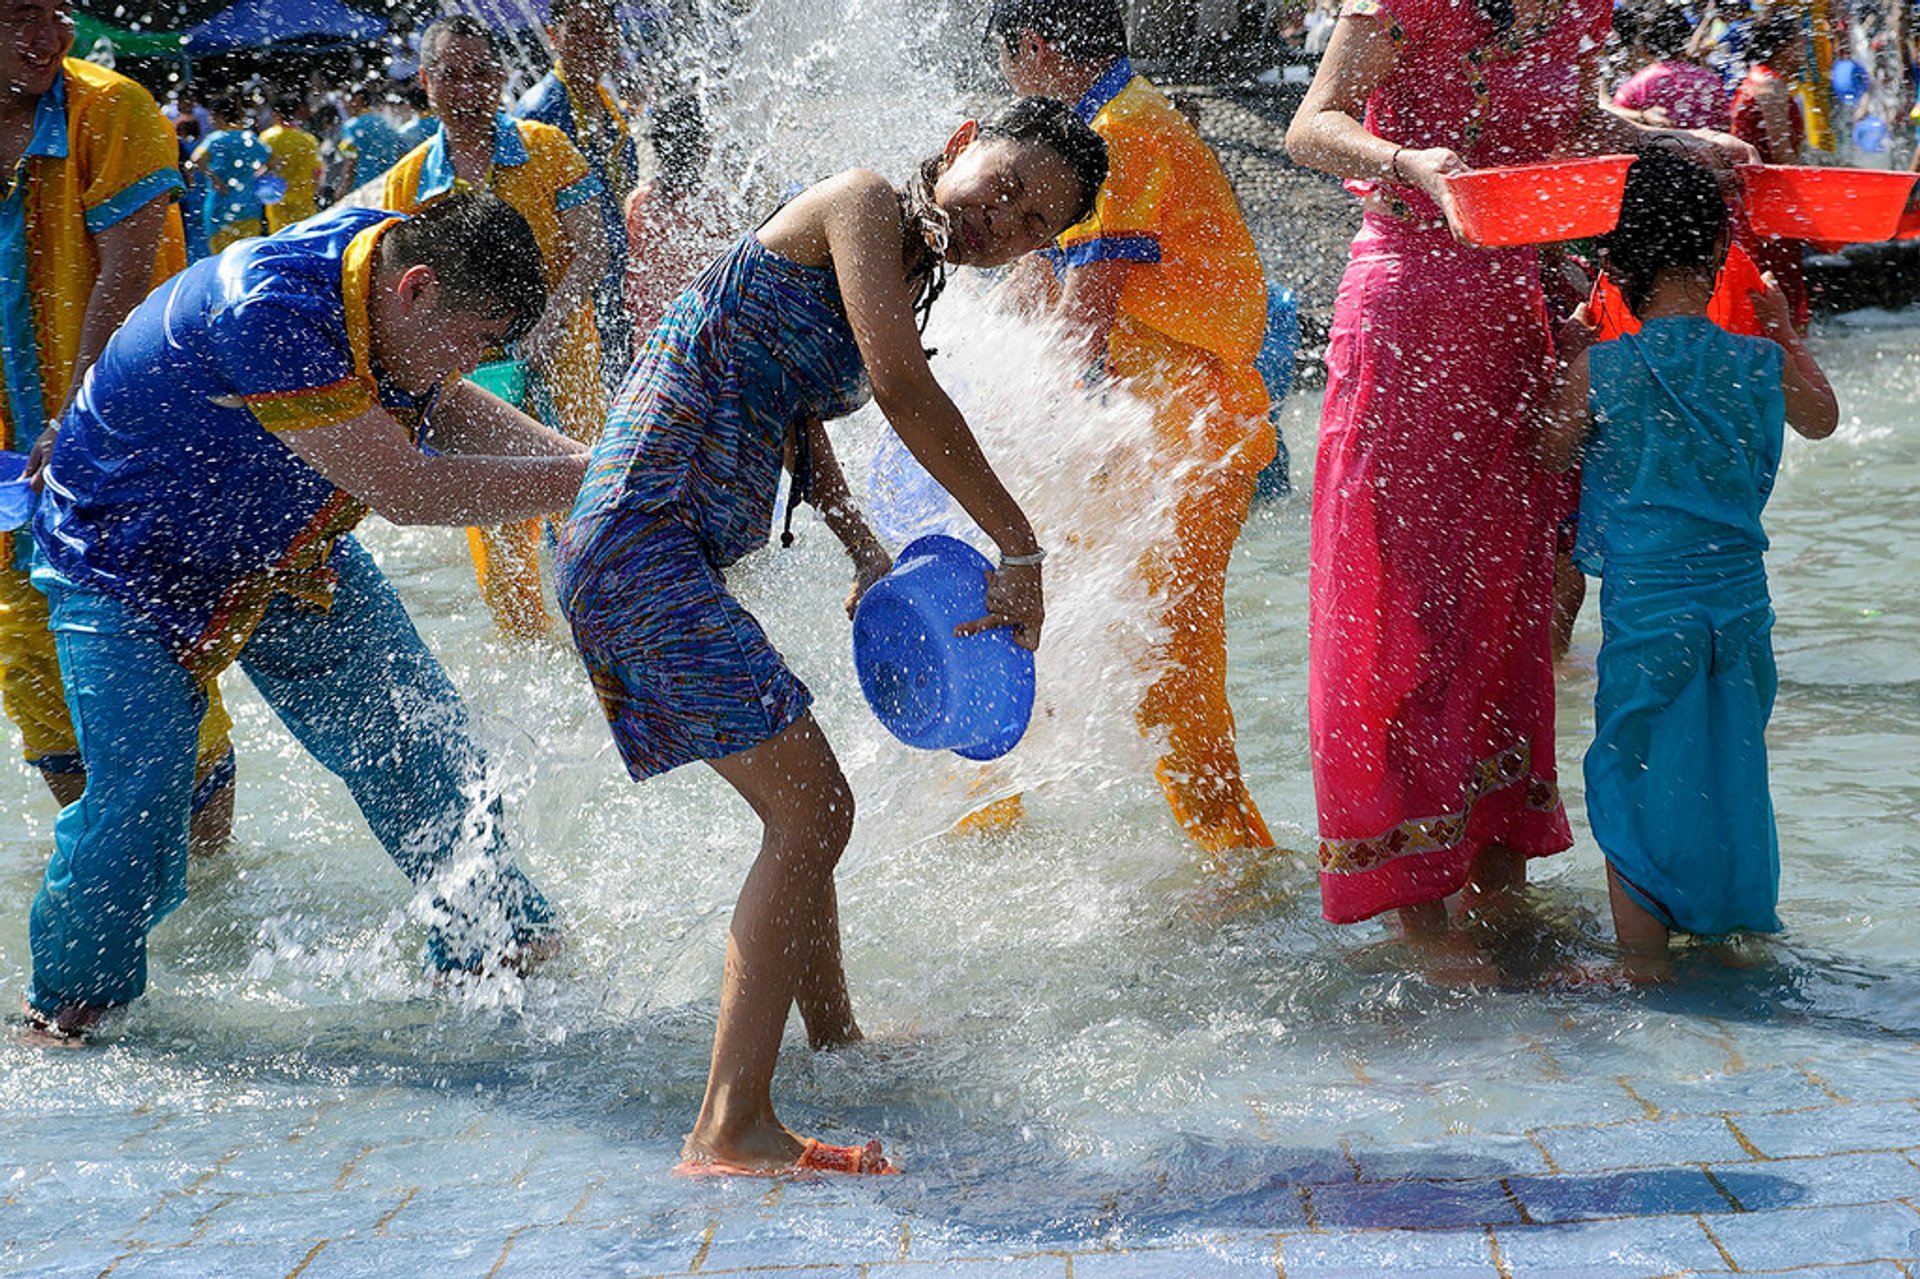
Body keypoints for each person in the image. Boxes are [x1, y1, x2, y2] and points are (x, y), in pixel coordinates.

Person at [555, 97, 1106, 1173]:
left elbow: (800, 405)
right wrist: (1019, 546)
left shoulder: (908, 268)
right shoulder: (856, 204)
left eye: (1035, 219)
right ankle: (729, 1128)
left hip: (656, 548)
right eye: (1003, 181)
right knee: (814, 810)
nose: (1005, 216)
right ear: (958, 147)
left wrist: (861, 544)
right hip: (634, 539)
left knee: (807, 806)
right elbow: (898, 387)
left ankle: (834, 1037)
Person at [18, 192, 590, 1044]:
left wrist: (592, 461)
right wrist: (591, 485)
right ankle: (67, 1010)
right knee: (142, 800)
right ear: (419, 288)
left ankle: (496, 940)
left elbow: (443, 404)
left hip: (282, 542)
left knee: (420, 740)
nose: (472, 361)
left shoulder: (387, 277)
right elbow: (407, 489)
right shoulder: (273, 310)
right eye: (474, 339)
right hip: (126, 559)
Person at [1284, 0, 1756, 948]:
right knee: (1406, 605)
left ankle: (1493, 879)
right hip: (1405, 310)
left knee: (1507, 602)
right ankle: (1420, 916)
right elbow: (1312, 126)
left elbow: (1568, 120)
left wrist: (1679, 140)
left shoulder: (1582, 9)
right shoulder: (1401, 7)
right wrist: (1404, 164)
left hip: (1517, 311)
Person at [987, 0, 1278, 859]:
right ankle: (989, 811)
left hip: (1196, 430)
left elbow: (1082, 316)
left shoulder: (1122, 131)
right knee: (1065, 626)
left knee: (1168, 663)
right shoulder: (1100, 132)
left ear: (1034, 47)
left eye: (1007, 63)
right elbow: (1040, 291)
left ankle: (1238, 863)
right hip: (1161, 427)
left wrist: (1030, 436)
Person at [1539, 149, 1837, 979]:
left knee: (1631, 771)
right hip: (1741, 612)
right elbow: (1823, 419)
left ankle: (1642, 960)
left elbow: (1546, 449)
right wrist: (1781, 329)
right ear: (1715, 259)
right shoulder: (1757, 362)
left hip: (1648, 615)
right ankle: (1733, 938)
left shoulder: (1604, 369)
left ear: (1619, 264)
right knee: (1730, 763)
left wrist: (1565, 350)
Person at [0, 0, 238, 859]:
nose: (47, 34)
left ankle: (213, 891)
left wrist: (71, 419)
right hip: (7, 483)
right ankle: (116, 878)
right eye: (16, 15)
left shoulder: (112, 108)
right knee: (36, 682)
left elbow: (133, 272)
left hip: (121, 454)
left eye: (53, 10)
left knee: (166, 671)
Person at [386, 15, 610, 641]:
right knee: (497, 529)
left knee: (589, 493)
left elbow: (592, 249)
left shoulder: (545, 148)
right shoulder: (409, 183)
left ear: (502, 76)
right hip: (471, 375)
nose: (468, 88)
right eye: (451, 75)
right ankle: (532, 658)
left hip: (566, 356)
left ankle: (611, 634)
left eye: (481, 72)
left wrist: (544, 325)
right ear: (426, 82)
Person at [515, 0, 639, 385]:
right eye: (578, 30)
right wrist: (547, 315)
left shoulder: (610, 110)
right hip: (565, 298)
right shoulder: (541, 112)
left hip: (611, 289)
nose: (591, 41)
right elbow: (523, 219)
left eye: (600, 29)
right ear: (554, 37)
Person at [622, 90, 735, 337]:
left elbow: (630, 278)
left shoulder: (639, 202)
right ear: (704, 148)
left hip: (651, 333)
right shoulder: (715, 205)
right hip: (702, 330)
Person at [1731, 8, 1809, 332]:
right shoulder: (1770, 87)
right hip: (1770, 208)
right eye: (1798, 44)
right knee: (1781, 300)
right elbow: (1783, 157)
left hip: (1751, 205)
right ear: (1781, 46)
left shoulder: (1755, 79)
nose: (1803, 51)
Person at [1612, 5, 1730, 131]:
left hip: (1661, 146)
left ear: (1646, 46)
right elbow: (1724, 122)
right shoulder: (1710, 80)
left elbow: (1615, 116)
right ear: (1686, 42)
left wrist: (1641, 116)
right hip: (1705, 147)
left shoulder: (1640, 83)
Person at [188, 87, 270, 254]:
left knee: (221, 260)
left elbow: (195, 161)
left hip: (219, 207)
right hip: (248, 206)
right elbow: (272, 160)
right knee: (245, 256)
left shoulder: (216, 139)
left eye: (212, 116)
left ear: (220, 116)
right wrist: (253, 176)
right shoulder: (249, 137)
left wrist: (214, 179)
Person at [260, 91, 323, 231]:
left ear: (275, 115)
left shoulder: (267, 139)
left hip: (278, 203)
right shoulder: (308, 140)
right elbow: (317, 173)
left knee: (280, 244)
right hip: (304, 203)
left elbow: (261, 169)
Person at [332, 84, 404, 198]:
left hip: (364, 188)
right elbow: (400, 152)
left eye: (348, 100)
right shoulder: (386, 123)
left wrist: (343, 188)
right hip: (388, 184)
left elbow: (351, 160)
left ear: (358, 99)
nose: (346, 105)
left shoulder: (352, 126)